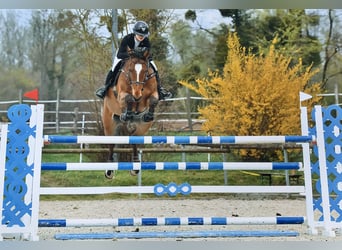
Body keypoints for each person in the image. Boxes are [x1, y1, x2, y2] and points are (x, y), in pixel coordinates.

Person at [95, 21, 172, 100]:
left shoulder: (146, 41)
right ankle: (105, 88)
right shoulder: (127, 39)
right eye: (139, 34)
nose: (141, 37)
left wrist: (143, 56)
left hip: (141, 58)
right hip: (124, 55)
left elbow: (148, 53)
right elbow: (120, 54)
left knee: (155, 68)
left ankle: (160, 90)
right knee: (114, 68)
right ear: (135, 33)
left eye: (143, 35)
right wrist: (132, 54)